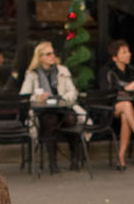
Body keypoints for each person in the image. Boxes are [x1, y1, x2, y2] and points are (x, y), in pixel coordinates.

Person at [18, 41, 85, 173]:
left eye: (53, 53)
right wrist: (37, 97)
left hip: (63, 107)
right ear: (40, 57)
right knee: (50, 121)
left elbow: (73, 91)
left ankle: (74, 159)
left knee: (71, 119)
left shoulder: (62, 71)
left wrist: (63, 98)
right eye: (48, 54)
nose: (52, 56)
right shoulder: (32, 74)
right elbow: (24, 96)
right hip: (43, 110)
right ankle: (53, 163)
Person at [97, 39, 134, 170]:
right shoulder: (106, 71)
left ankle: (121, 158)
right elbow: (106, 94)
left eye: (128, 51)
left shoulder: (132, 70)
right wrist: (127, 88)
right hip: (110, 109)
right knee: (125, 105)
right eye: (124, 52)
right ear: (114, 57)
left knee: (126, 112)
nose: (128, 54)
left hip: (130, 111)